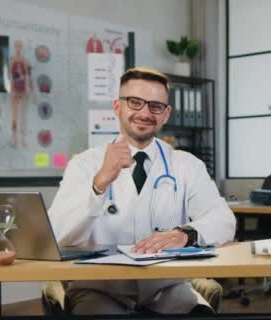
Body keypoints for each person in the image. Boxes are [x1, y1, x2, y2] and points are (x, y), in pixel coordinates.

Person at [48, 67, 236, 315]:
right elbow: (56, 235)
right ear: (118, 107)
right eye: (135, 102)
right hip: (99, 289)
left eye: (156, 106)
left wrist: (185, 234)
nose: (145, 113)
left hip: (167, 288)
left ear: (166, 114)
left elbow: (224, 220)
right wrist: (99, 183)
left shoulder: (187, 165)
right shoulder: (84, 164)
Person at [9, 40, 33, 148]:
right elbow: (8, 76)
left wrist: (29, 88)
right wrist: (10, 88)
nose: (18, 48)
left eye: (20, 46)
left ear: (22, 47)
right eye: (16, 46)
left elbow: (28, 76)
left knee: (23, 116)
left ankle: (23, 140)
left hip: (23, 90)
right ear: (14, 47)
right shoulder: (11, 60)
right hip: (14, 90)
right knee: (14, 116)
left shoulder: (25, 61)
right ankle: (15, 140)